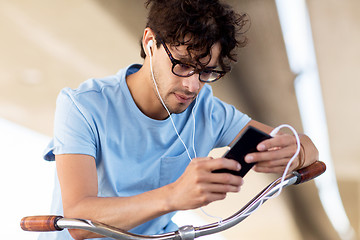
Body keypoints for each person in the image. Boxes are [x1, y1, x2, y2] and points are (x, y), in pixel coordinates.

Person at [40, 0, 318, 239]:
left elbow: (305, 149)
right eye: (183, 65)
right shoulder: (82, 106)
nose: (193, 86)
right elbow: (79, 221)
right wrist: (174, 194)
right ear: (150, 43)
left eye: (206, 72)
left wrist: (300, 149)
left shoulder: (209, 111)